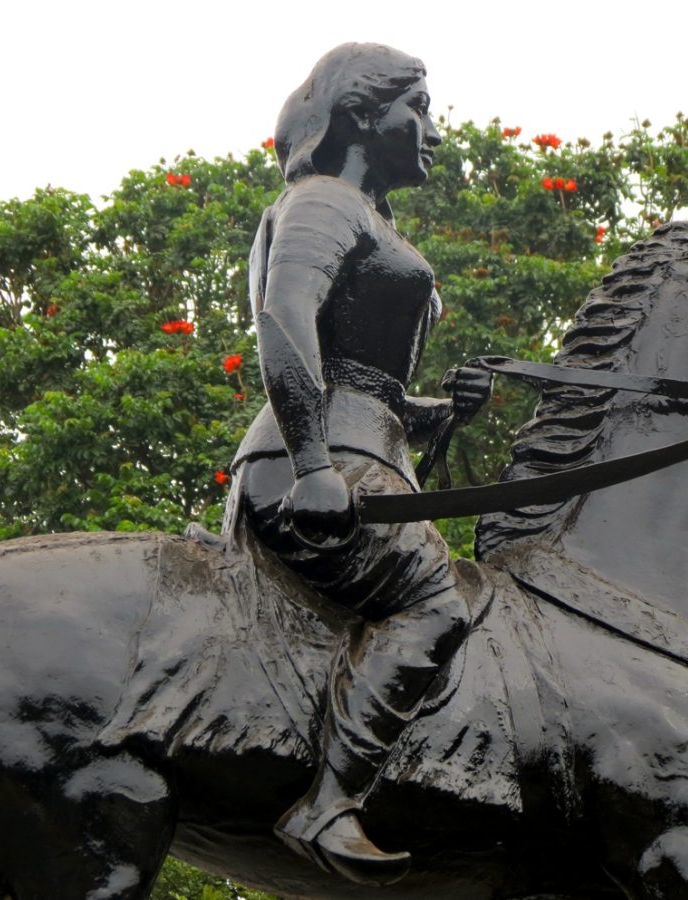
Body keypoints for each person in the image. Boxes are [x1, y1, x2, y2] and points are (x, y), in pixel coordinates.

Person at [223, 42, 491, 885]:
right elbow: (284, 320)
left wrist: (437, 412)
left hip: (357, 450)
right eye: (420, 109)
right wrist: (311, 467)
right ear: (363, 115)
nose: (435, 132)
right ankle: (329, 802)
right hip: (316, 464)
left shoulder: (364, 216)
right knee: (435, 605)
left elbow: (365, 381)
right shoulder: (325, 202)